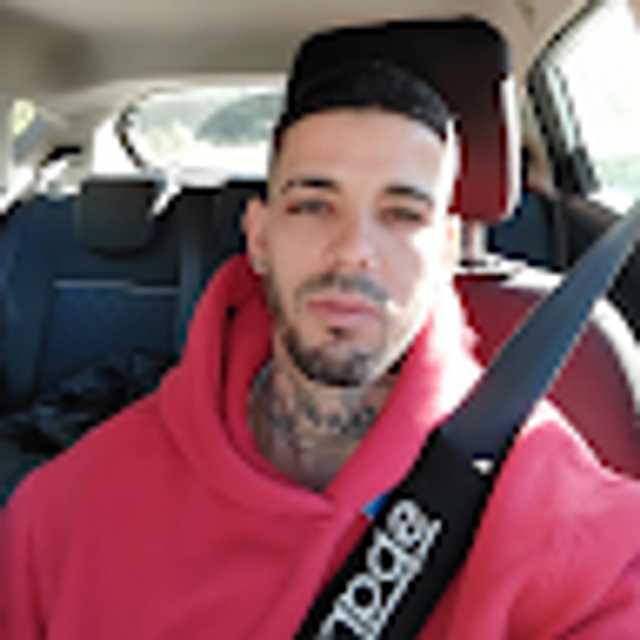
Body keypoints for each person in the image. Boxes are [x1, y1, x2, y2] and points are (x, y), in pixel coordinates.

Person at [1, 60, 640, 640]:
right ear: (259, 237)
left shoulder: (556, 515)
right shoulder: (64, 516)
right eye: (313, 205)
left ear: (447, 250)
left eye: (402, 214)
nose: (353, 251)